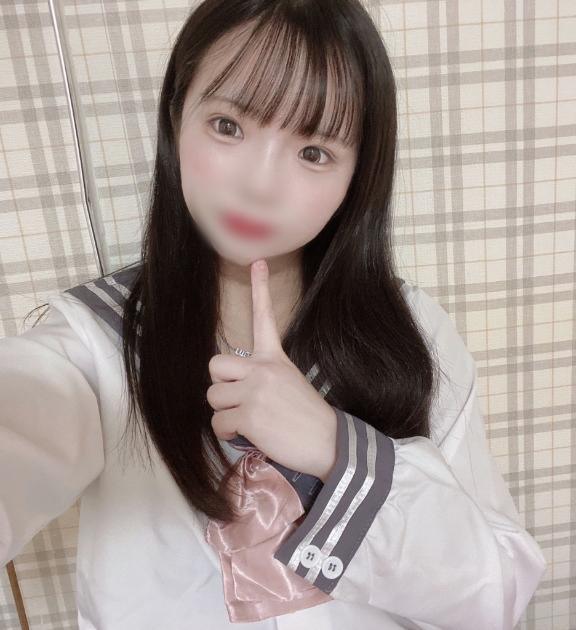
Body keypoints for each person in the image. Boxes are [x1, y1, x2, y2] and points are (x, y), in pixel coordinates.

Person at [0, 0, 547, 628]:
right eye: (228, 126)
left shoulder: (413, 333)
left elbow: (496, 594)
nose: (260, 186)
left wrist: (338, 450)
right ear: (177, 117)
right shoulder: (99, 342)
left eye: (313, 151)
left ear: (357, 174)